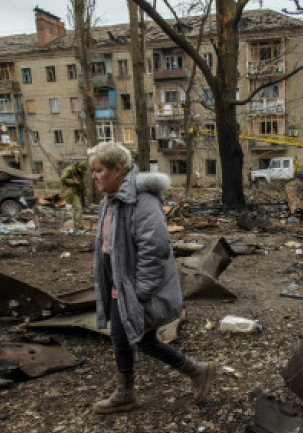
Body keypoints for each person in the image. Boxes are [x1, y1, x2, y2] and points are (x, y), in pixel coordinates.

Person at [90, 142, 215, 414]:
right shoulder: (109, 202)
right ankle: (128, 391)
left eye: (98, 170)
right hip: (119, 285)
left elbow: (155, 248)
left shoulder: (142, 201)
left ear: (117, 169)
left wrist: (141, 291)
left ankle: (195, 371)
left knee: (138, 339)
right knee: (125, 337)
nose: (94, 176)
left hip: (134, 287)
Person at [60, 160, 87, 232]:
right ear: (79, 167)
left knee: (79, 208)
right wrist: (73, 181)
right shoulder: (70, 170)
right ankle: (78, 226)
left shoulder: (80, 173)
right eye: (82, 170)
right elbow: (63, 178)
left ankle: (80, 225)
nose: (83, 172)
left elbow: (82, 182)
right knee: (77, 208)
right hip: (71, 192)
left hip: (78, 192)